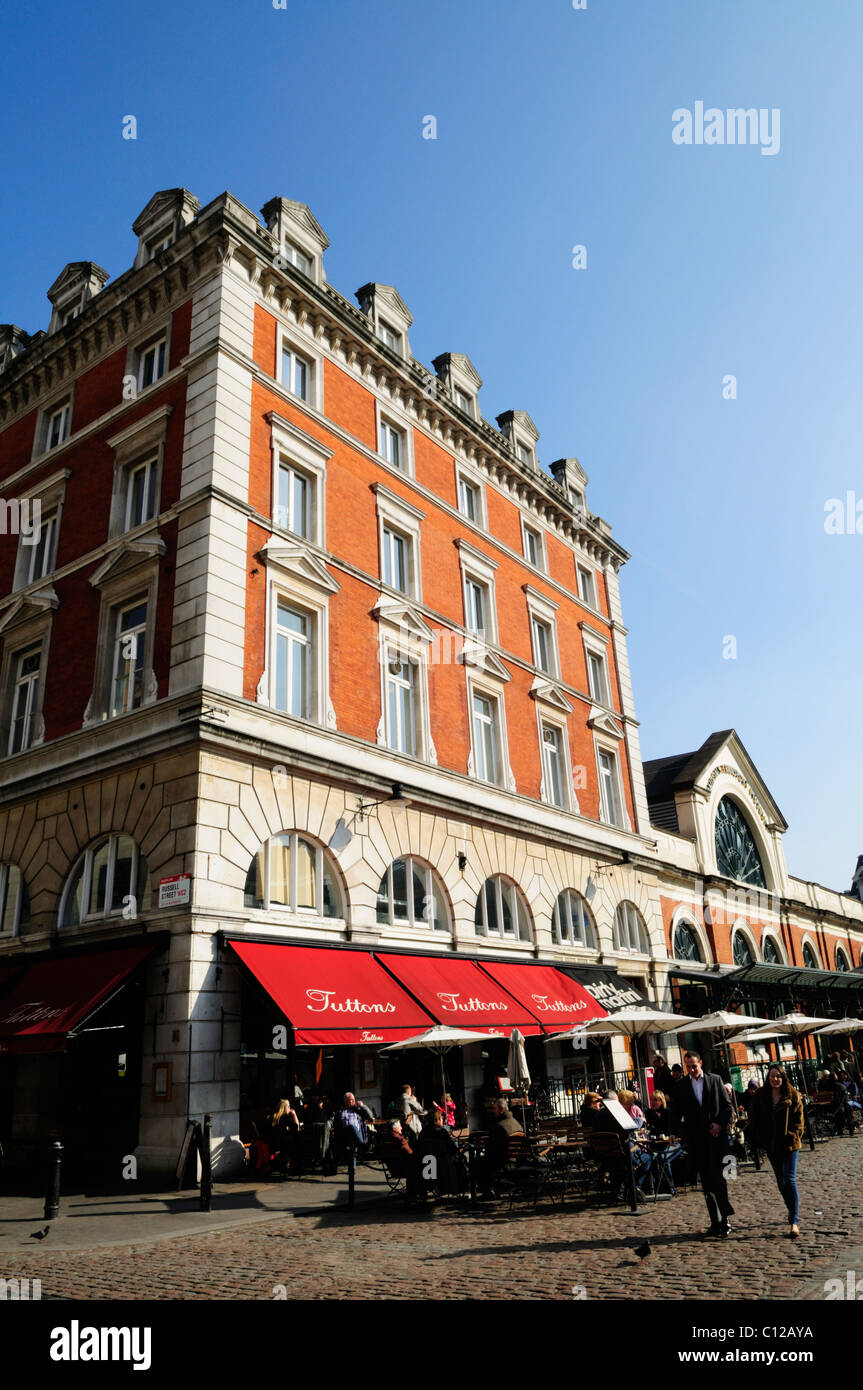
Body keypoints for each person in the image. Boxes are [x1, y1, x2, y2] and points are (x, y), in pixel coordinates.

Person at [672, 1051, 734, 1238]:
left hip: (716, 1139)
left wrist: (719, 1124)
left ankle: (725, 1220)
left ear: (700, 1063)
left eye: (694, 1066)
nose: (691, 1070)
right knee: (706, 1182)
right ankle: (714, 1221)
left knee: (719, 1180)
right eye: (688, 1067)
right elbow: (675, 1111)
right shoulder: (682, 1085)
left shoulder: (714, 1080)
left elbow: (726, 1107)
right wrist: (673, 1132)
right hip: (697, 1140)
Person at [748, 1064, 804, 1238]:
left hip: (789, 1144)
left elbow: (799, 1120)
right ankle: (790, 1207)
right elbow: (754, 1118)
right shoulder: (761, 1095)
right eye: (772, 1076)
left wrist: (793, 1134)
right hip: (771, 1145)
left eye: (778, 1076)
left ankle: (794, 1221)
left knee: (789, 1179)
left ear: (783, 1077)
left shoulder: (792, 1094)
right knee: (781, 1181)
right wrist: (760, 1137)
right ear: (768, 1077)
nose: (775, 1079)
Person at [475, 1098, 523, 1197]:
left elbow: (491, 1148)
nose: (493, 1111)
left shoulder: (499, 1126)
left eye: (495, 1108)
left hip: (504, 1162)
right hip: (516, 1160)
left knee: (479, 1162)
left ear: (502, 1110)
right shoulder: (517, 1124)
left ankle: (487, 1192)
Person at [417, 1110, 464, 1194]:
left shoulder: (423, 1133)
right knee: (460, 1160)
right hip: (443, 1165)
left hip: (426, 1165)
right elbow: (452, 1149)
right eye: (441, 1119)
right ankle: (458, 1189)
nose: (442, 1121)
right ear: (437, 1120)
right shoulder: (442, 1132)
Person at [380, 1119, 422, 1198]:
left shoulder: (384, 1140)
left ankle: (416, 1192)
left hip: (393, 1170)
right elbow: (411, 1155)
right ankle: (423, 1192)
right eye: (400, 1126)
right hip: (405, 1169)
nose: (401, 1128)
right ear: (394, 1128)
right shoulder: (400, 1140)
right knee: (429, 1163)